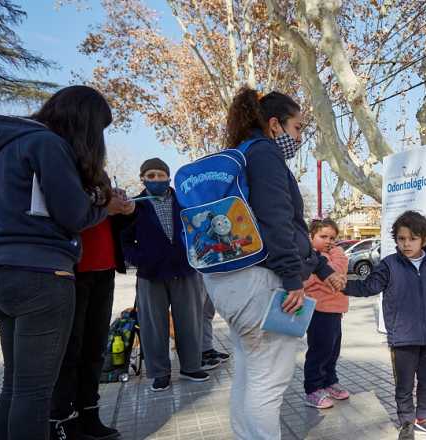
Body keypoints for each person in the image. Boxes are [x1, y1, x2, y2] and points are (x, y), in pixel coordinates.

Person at [200, 88, 347, 439]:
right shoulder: (265, 154)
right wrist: (293, 280)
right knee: (268, 382)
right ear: (274, 125)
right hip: (261, 285)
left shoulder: (241, 153)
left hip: (228, 282)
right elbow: (279, 224)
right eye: (297, 128)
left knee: (248, 375)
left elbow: (288, 232)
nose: (299, 137)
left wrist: (322, 270)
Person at [0, 85, 117, 439]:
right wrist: (105, 207)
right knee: (35, 393)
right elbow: (73, 215)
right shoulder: (47, 144)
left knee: (14, 387)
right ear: (84, 121)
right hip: (41, 276)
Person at [343, 211, 426, 440]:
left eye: (412, 238)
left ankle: (423, 418)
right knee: (404, 385)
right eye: (401, 238)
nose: (406, 244)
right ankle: (406, 421)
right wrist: (341, 285)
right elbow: (368, 287)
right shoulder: (389, 265)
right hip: (402, 338)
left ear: (424, 239)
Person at [121, 158, 215, 393]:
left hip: (184, 269)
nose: (155, 179)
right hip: (150, 273)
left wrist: (195, 254)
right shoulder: (134, 205)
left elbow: (199, 228)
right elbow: (123, 240)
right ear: (142, 178)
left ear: (168, 177)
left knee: (190, 318)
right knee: (153, 324)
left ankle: (191, 366)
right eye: (150, 175)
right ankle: (159, 372)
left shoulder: (183, 200)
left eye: (160, 174)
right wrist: (140, 258)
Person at [49, 188, 134, 440]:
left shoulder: (100, 178)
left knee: (95, 349)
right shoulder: (63, 169)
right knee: (70, 351)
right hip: (73, 272)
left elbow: (114, 221)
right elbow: (66, 212)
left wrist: (127, 210)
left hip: (104, 270)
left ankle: (90, 413)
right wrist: (102, 205)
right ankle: (63, 419)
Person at [302, 219, 351, 409]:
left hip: (335, 310)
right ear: (310, 237)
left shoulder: (333, 254)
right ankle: (313, 389)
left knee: (332, 350)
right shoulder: (308, 258)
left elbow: (339, 272)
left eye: (333, 237)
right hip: (318, 311)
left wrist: (329, 262)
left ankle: (330, 382)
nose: (329, 241)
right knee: (318, 351)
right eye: (323, 237)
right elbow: (333, 273)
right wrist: (329, 262)